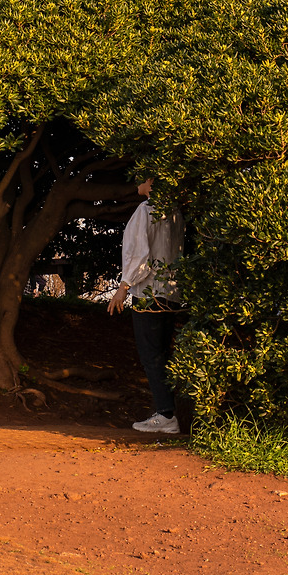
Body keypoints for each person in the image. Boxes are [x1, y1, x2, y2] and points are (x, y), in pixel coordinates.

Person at [107, 178, 184, 433]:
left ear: (151, 183)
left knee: (151, 354)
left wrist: (123, 287)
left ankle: (165, 414)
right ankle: (168, 412)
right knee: (162, 354)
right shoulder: (175, 213)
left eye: (141, 178)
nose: (136, 182)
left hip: (149, 292)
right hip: (171, 293)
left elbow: (141, 256)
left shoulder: (146, 210)